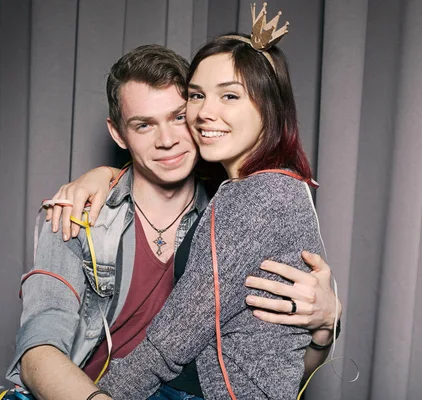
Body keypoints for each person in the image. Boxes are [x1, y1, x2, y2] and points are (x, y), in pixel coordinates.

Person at [6, 40, 339, 400]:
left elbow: (272, 367)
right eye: (144, 125)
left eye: (178, 117)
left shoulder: (234, 208)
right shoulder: (79, 215)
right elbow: (38, 352)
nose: (167, 140)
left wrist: (325, 327)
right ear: (118, 134)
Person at [92, 15, 328, 400]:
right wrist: (105, 175)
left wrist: (91, 395)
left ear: (270, 106)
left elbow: (169, 345)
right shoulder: (277, 187)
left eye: (230, 95)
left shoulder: (257, 197)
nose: (204, 113)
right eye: (197, 95)